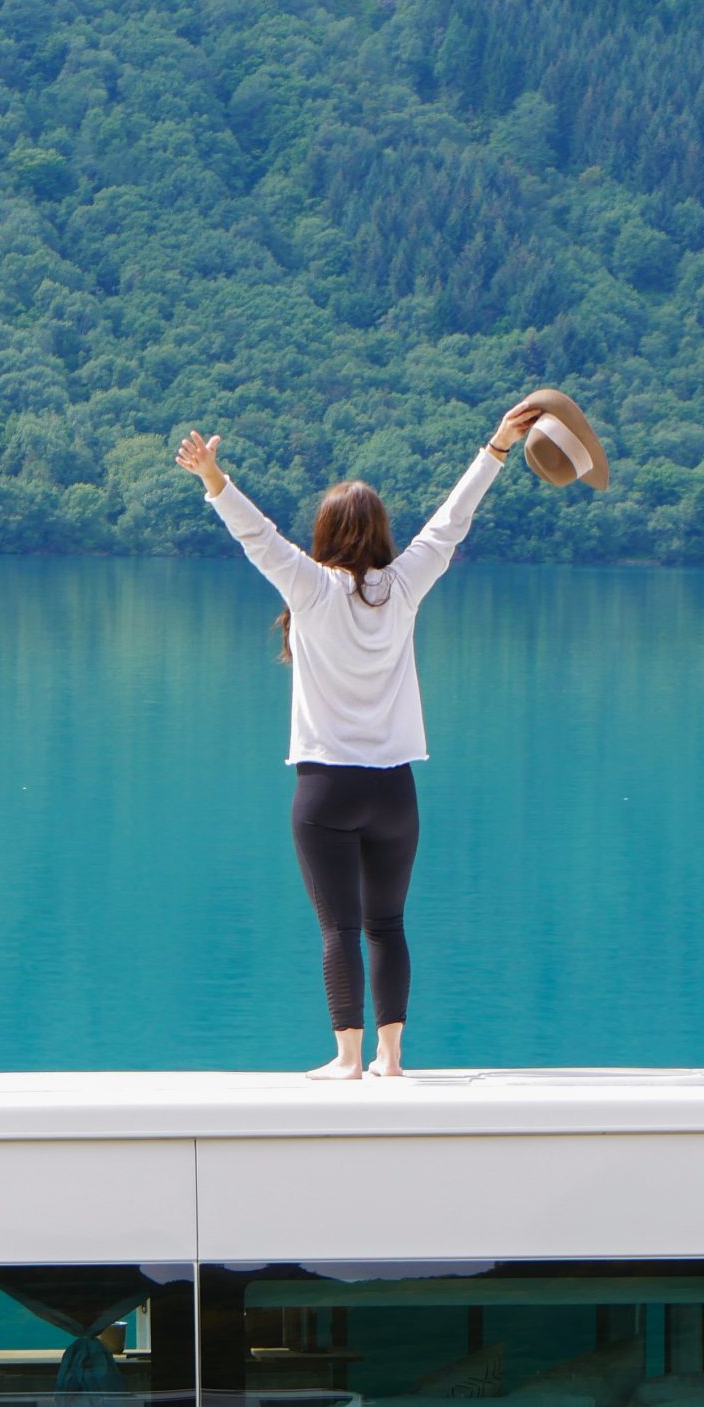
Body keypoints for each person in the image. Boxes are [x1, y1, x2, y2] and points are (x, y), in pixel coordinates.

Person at [177, 399, 543, 1079]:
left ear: (325, 532)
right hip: (394, 790)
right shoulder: (402, 588)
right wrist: (495, 447)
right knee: (388, 925)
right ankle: (391, 1056)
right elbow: (450, 523)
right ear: (379, 532)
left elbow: (257, 536)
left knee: (339, 929)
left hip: (325, 789)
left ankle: (348, 1058)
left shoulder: (311, 589)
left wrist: (212, 477)